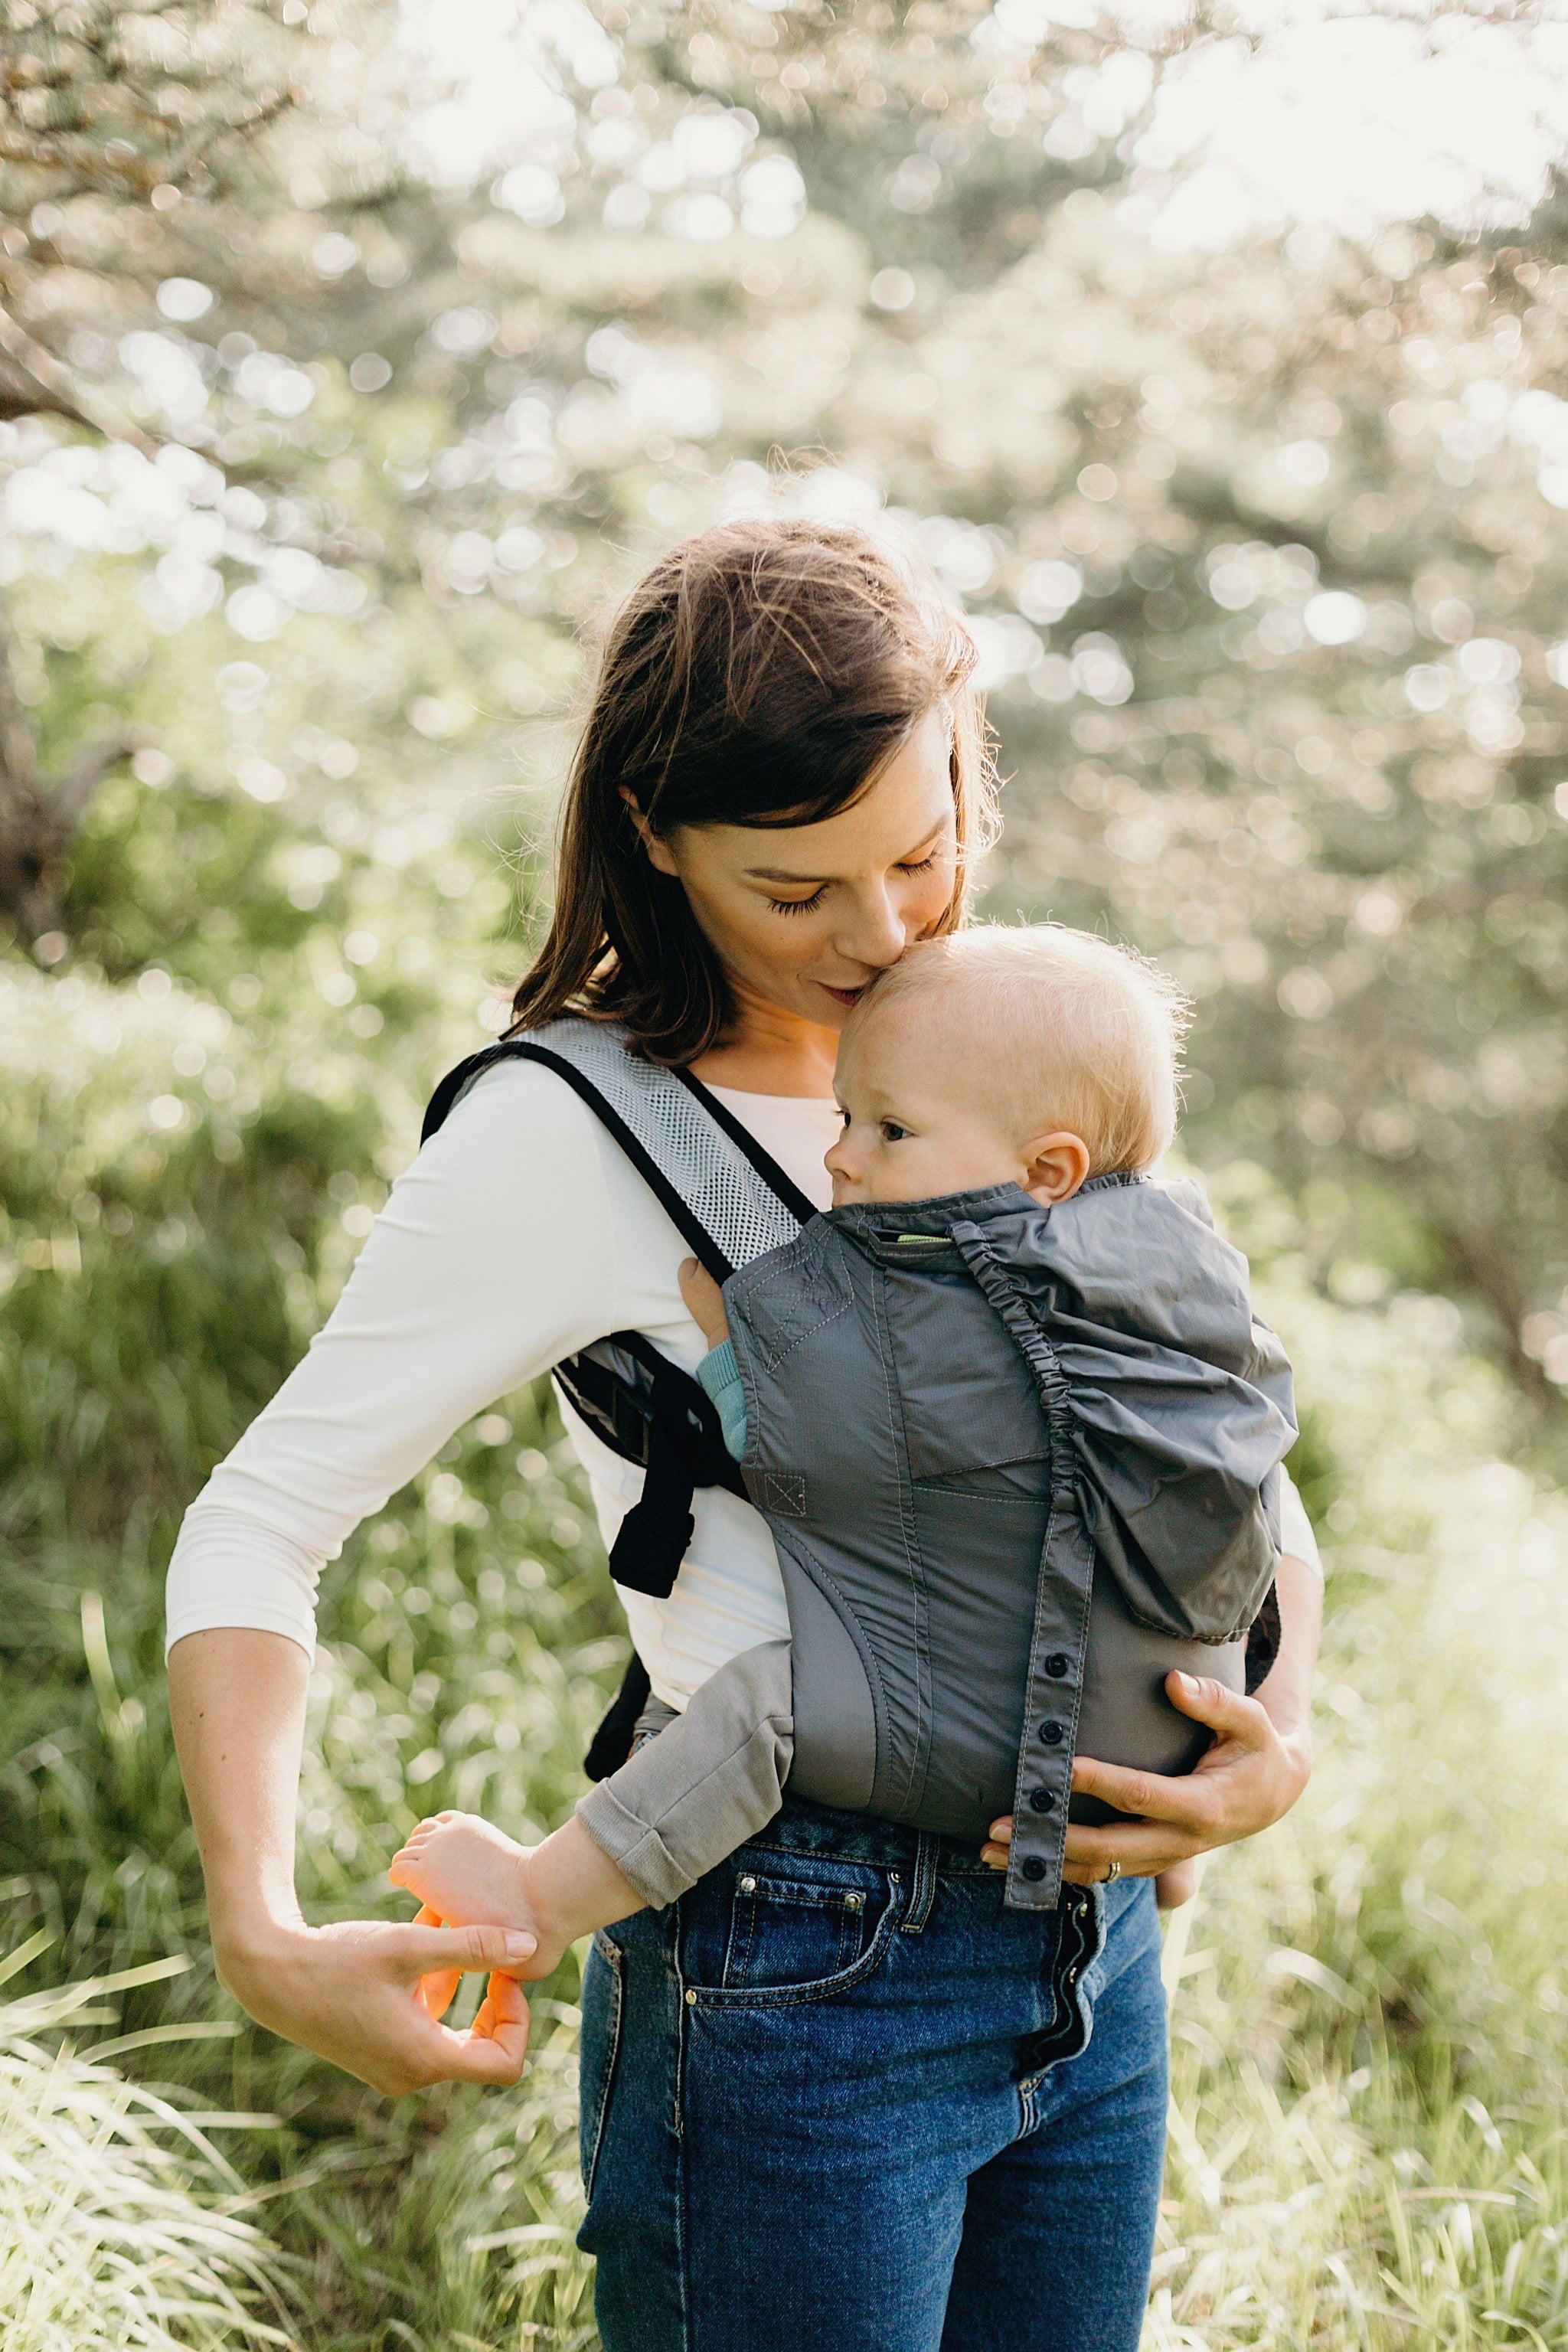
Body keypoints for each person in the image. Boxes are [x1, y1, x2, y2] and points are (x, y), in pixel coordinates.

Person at [166, 518, 1322, 2352]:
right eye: (798, 891)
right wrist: (260, 1924)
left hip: (1090, 1959)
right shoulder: (565, 1130)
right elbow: (261, 1519)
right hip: (789, 1961)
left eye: (925, 857)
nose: (880, 939)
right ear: (653, 830)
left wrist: (1275, 1745)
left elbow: (1191, 1439)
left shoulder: (1024, 1048)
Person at [386, 921, 1298, 1972]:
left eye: (891, 1132)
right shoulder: (1190, 1267)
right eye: (845, 1115)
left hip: (984, 1757)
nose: (842, 1155)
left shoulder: (914, 1301)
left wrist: (740, 1347)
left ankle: (536, 1901)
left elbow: (806, 1455)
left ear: (1049, 1166)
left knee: (773, 1700)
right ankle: (1160, 1850)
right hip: (1182, 1724)